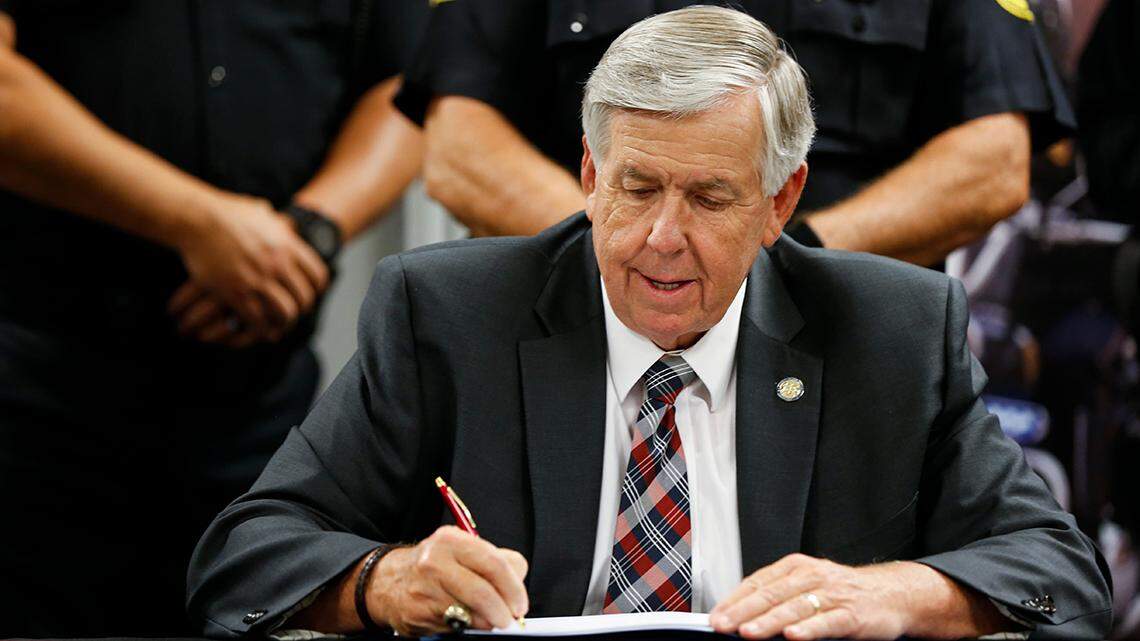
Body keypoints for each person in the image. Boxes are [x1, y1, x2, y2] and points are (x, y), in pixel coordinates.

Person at [188, 7, 1112, 640]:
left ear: (778, 200)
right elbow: (243, 558)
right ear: (589, 176)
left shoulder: (894, 331)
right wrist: (384, 581)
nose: (661, 239)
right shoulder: (443, 315)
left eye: (711, 196)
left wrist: (899, 592)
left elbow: (1064, 579)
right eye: (635, 188)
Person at [0, 1, 426, 636]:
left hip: (265, 407)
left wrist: (310, 231)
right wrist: (195, 221)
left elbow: (409, 83)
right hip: (44, 392)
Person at [396, 0, 1071, 267]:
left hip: (847, 339)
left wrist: (790, 257)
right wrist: (636, 253)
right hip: (576, 325)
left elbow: (994, 156)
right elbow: (461, 149)